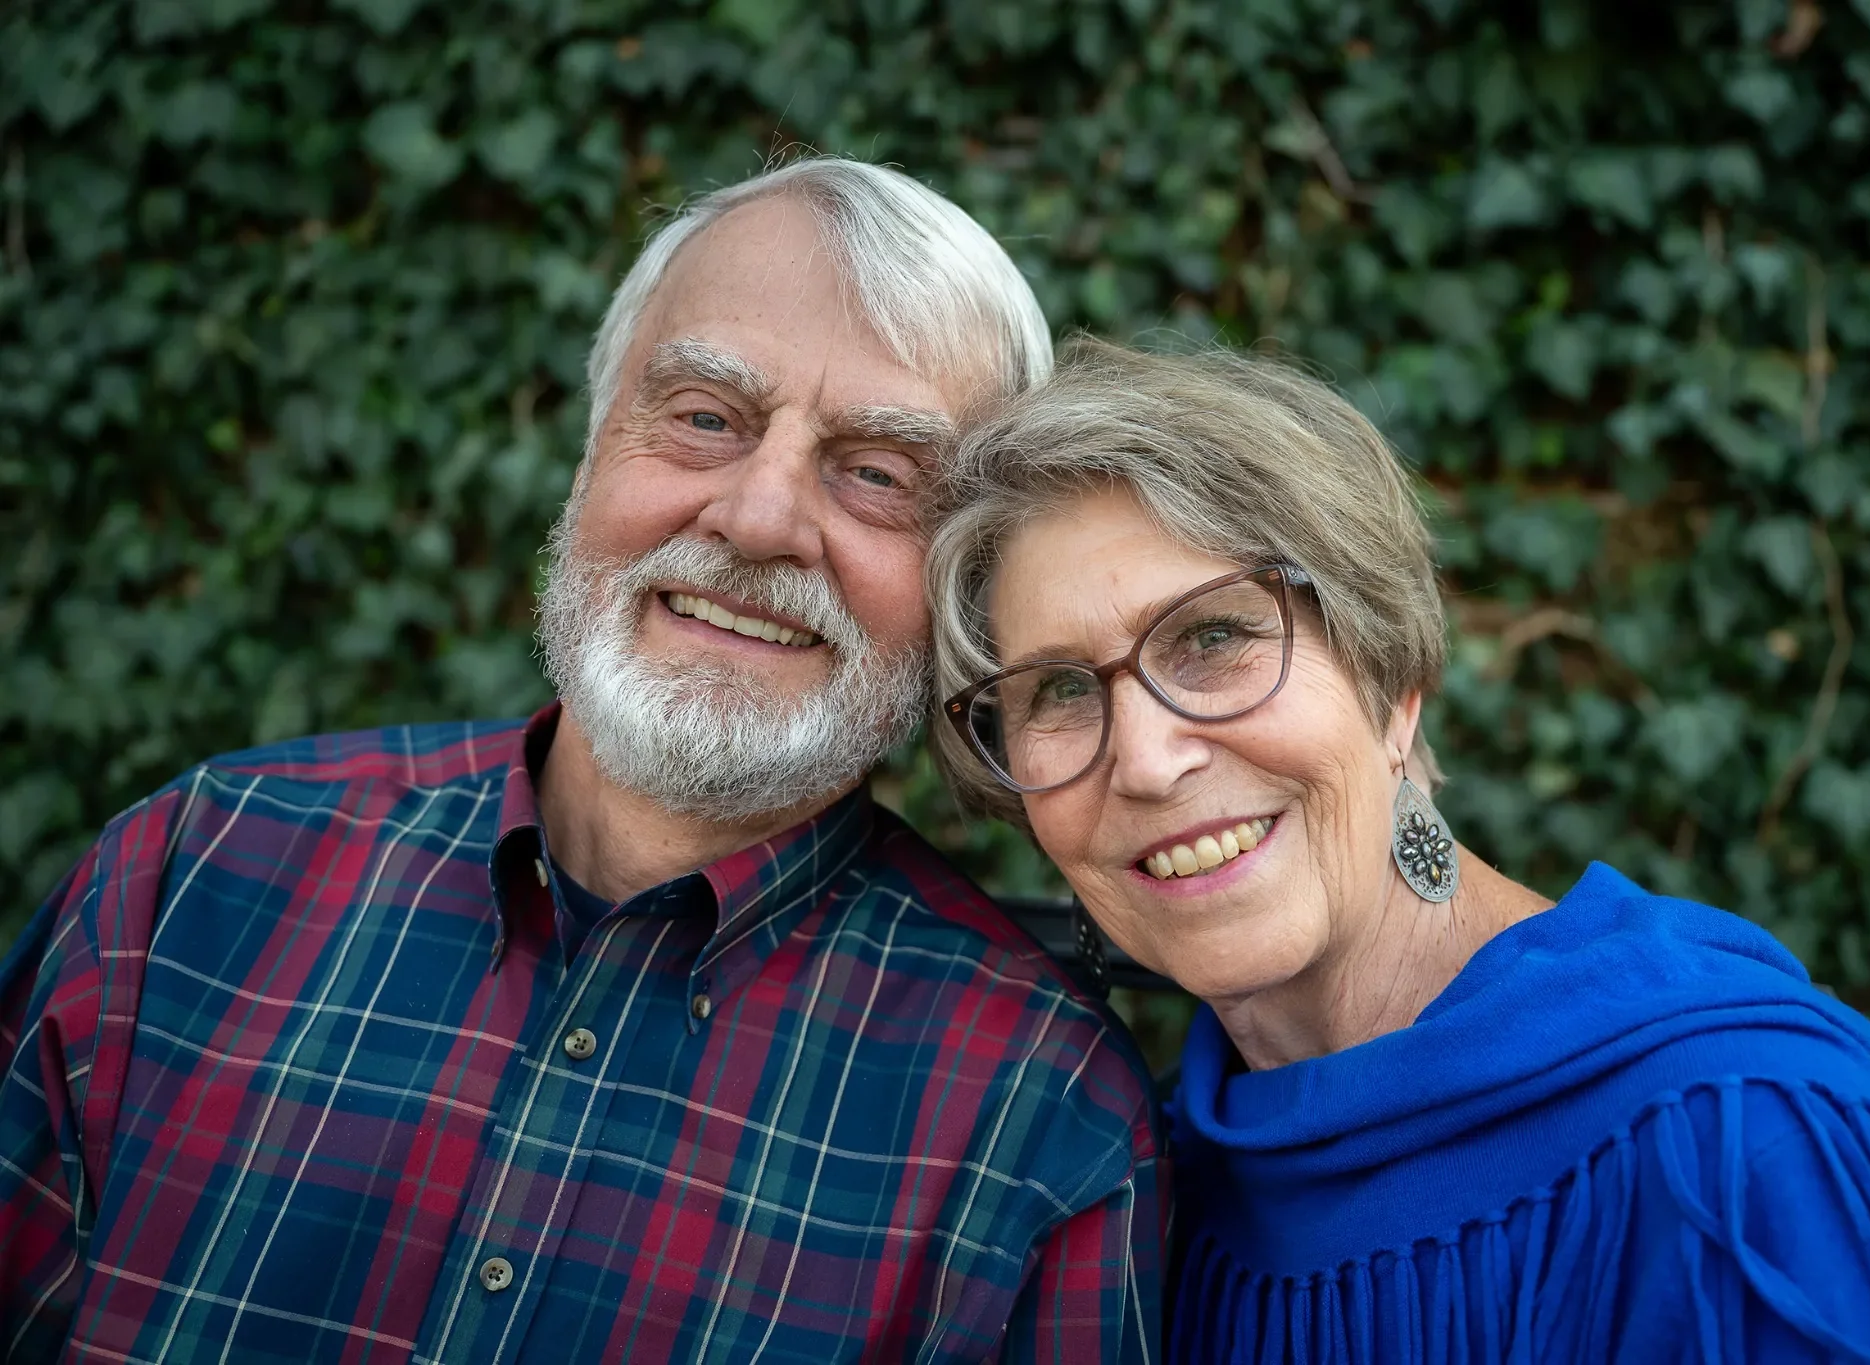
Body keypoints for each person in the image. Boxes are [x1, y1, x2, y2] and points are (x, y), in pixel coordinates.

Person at [0, 161, 1161, 1363]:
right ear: (593, 442)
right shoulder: (191, 875)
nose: (757, 519)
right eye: (705, 417)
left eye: (875, 474)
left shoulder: (1039, 1119)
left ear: (964, 583)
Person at [925, 338, 1870, 1362]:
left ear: (1392, 686)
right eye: (1059, 692)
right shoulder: (1145, 1186)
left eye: (1213, 637)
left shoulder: (1730, 1132)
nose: (1146, 760)